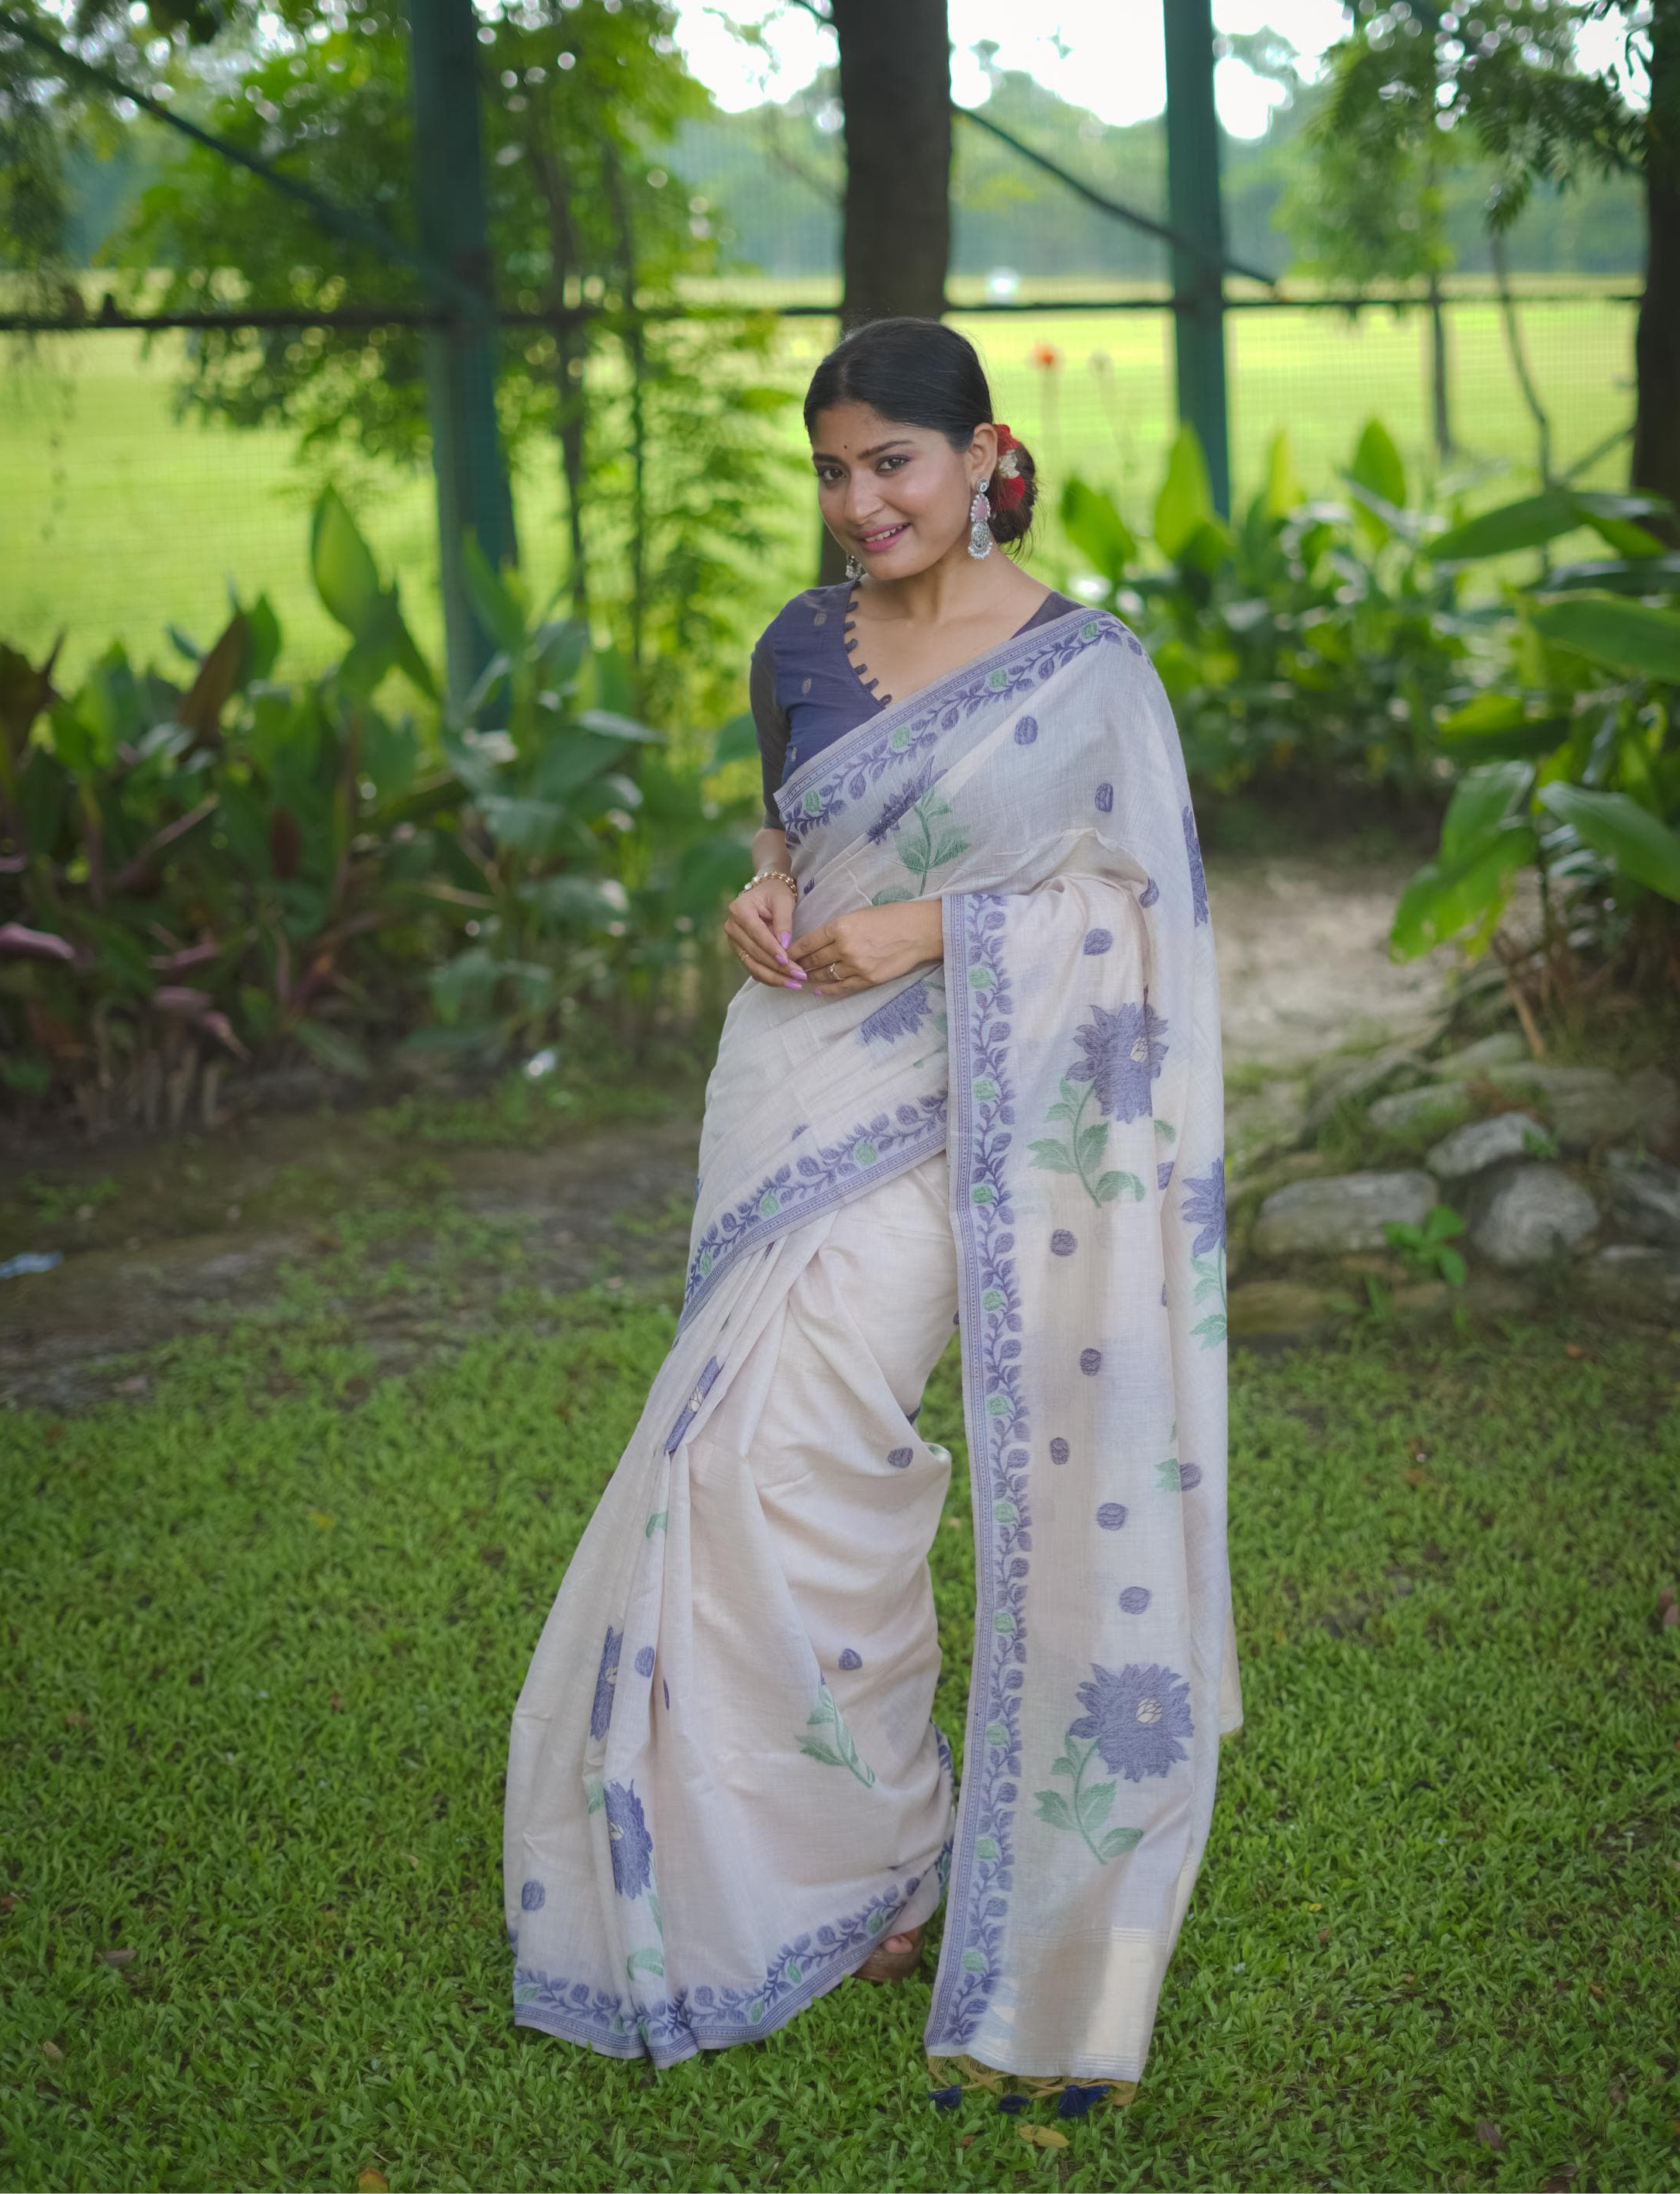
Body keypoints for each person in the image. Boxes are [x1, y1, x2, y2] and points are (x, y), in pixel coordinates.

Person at [504, 316, 1241, 2106]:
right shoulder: (796, 649)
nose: (860, 503)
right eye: (832, 470)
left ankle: (881, 1832)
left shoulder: (1085, 671)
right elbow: (792, 839)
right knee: (736, 1454)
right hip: (791, 1090)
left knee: (799, 1453)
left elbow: (1150, 925)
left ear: (984, 457)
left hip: (981, 1124)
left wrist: (936, 931)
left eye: (892, 463)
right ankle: (852, 1848)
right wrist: (759, 898)